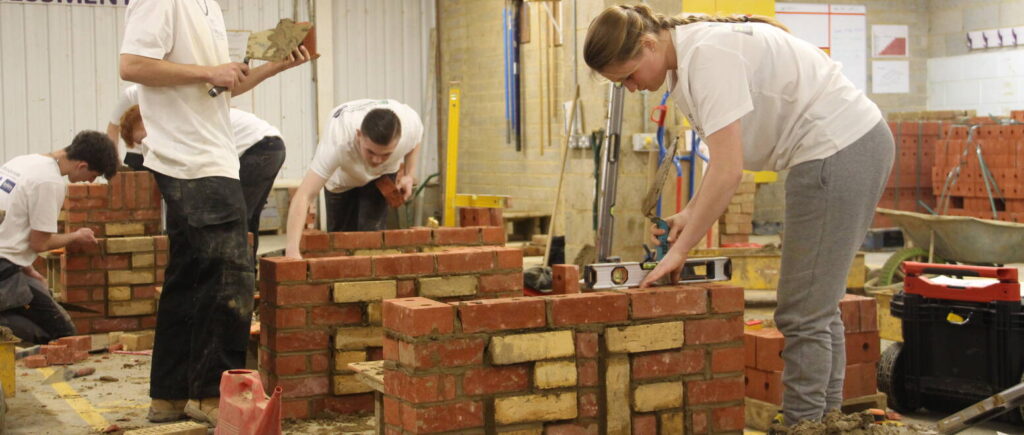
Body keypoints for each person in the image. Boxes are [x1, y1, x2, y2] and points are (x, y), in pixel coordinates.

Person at [584, 4, 894, 425]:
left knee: (801, 312)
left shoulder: (708, 56)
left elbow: (730, 170)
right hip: (841, 149)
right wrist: (690, 213)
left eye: (628, 77)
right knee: (816, 307)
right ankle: (823, 422)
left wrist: (682, 251)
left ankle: (803, 425)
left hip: (839, 151)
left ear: (649, 43)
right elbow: (726, 160)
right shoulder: (685, 64)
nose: (632, 89)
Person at [118, 0, 309, 425]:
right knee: (230, 279)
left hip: (208, 155)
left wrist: (275, 66)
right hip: (194, 161)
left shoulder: (209, 9)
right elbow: (132, 65)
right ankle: (210, 394)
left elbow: (221, 88)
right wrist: (209, 71)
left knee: (189, 278)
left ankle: (169, 395)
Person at [118, 101, 287, 264]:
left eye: (142, 138)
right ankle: (245, 276)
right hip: (271, 145)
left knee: (234, 219)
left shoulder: (176, 125)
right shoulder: (177, 121)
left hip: (259, 147)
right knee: (248, 218)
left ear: (147, 120)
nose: (146, 145)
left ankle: (232, 279)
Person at [0, 131, 118, 345]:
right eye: (93, 175)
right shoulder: (49, 182)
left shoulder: (23, 161)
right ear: (82, 166)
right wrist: (76, 236)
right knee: (62, 335)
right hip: (3, 271)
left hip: (8, 264)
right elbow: (39, 243)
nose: (90, 181)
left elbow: (11, 227)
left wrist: (28, 269)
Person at [283, 99, 422, 259]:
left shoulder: (410, 125)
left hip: (381, 176)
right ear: (359, 135)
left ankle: (370, 281)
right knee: (339, 244)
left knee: (371, 240)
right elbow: (304, 195)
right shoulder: (338, 142)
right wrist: (292, 249)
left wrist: (409, 176)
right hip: (341, 180)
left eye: (385, 154)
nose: (376, 160)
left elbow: (415, 142)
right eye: (370, 152)